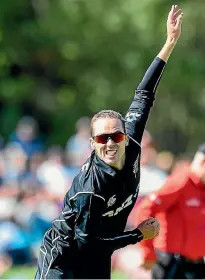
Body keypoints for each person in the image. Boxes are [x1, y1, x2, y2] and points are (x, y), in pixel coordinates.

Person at [35, 5, 183, 279]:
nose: (110, 143)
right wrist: (137, 235)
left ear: (125, 136)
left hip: (98, 255)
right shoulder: (91, 189)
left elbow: (143, 94)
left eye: (116, 135)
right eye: (102, 138)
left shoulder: (133, 142)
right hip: (64, 259)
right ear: (92, 143)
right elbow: (85, 244)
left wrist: (169, 43)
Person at [134, 142, 205, 279]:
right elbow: (146, 209)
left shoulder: (201, 186)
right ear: (202, 162)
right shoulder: (181, 182)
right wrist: (148, 250)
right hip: (172, 264)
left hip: (196, 264)